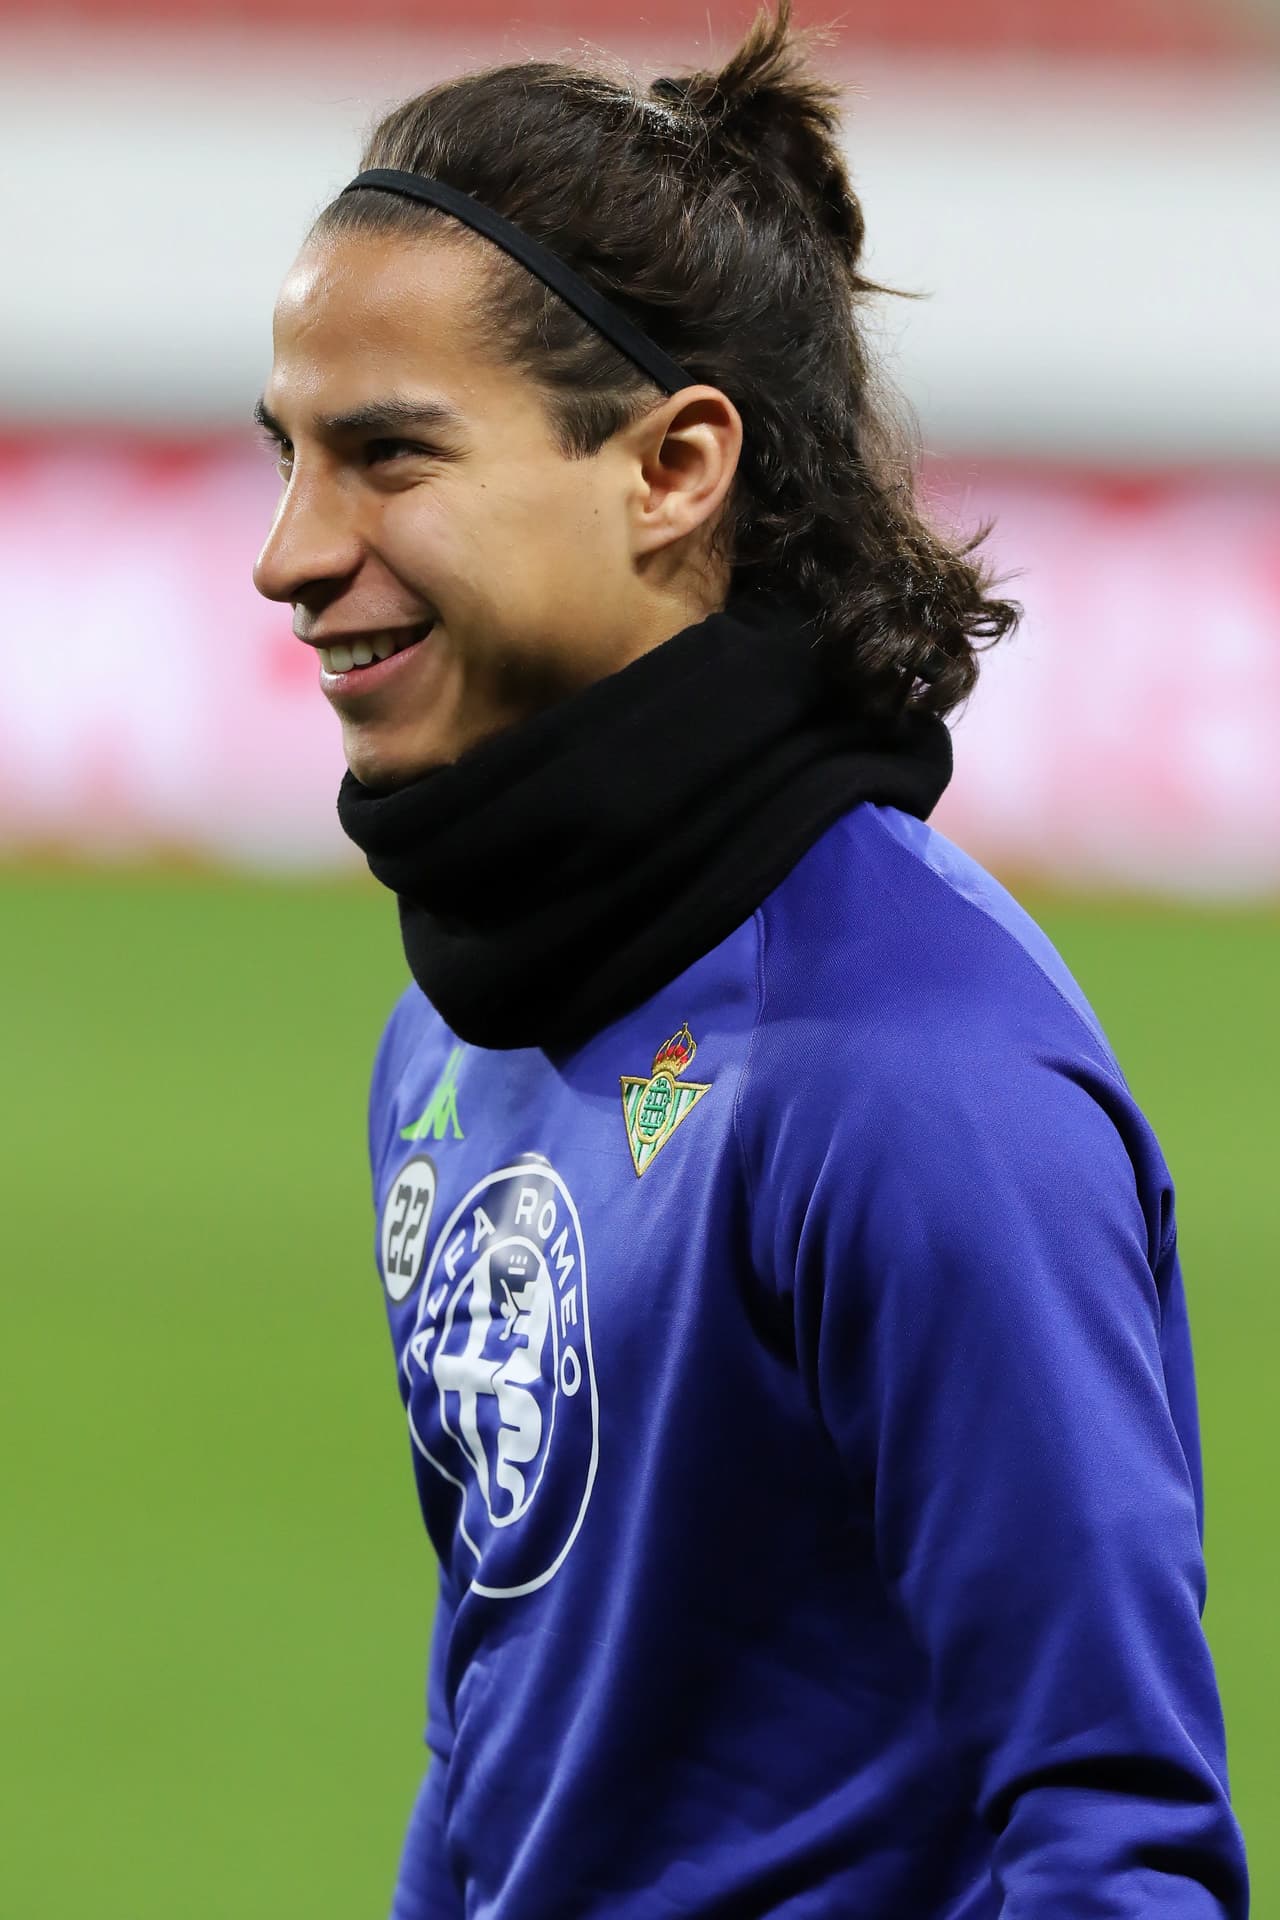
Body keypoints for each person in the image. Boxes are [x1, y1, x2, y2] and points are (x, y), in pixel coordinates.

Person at [251, 3, 1249, 1913]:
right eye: (288, 452)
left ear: (674, 467)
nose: (292, 550)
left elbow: (1117, 1837)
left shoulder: (910, 1080)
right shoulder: (455, 1031)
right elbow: (501, 1733)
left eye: (388, 454)